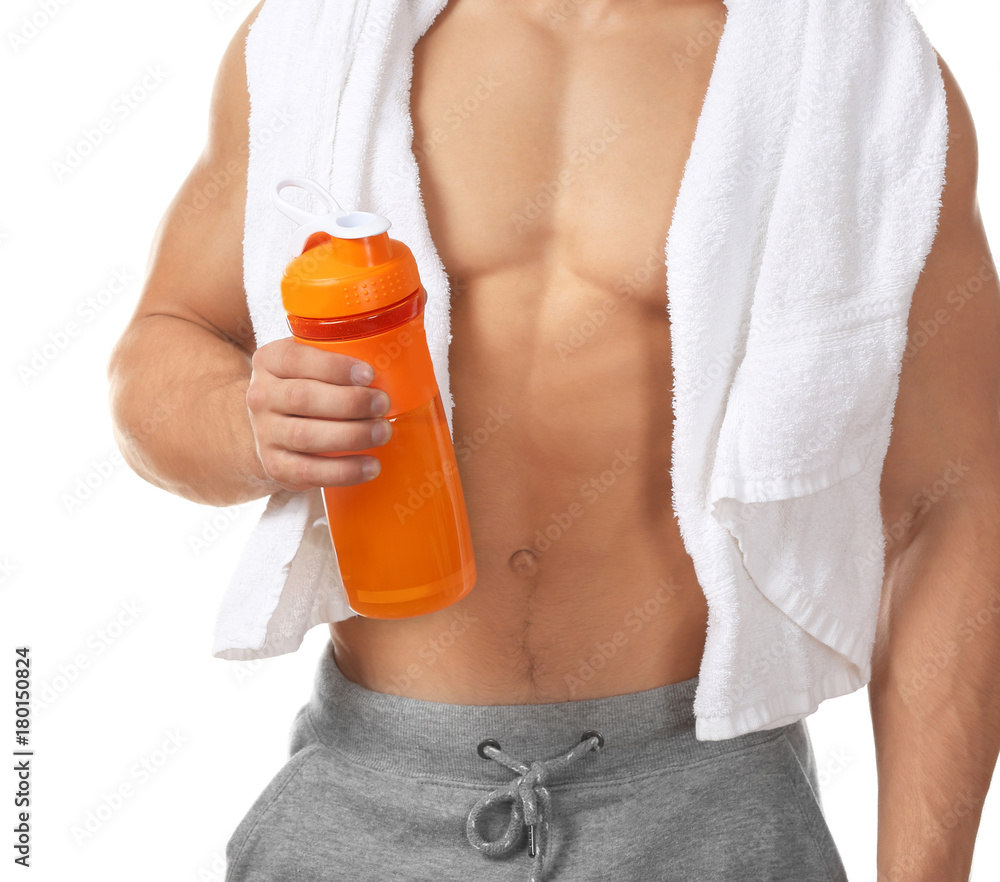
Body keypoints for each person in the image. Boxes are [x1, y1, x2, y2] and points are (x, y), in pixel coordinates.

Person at [107, 1, 1000, 879]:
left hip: (707, 807)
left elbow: (956, 503)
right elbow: (163, 342)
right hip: (372, 795)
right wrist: (244, 421)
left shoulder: (854, 69)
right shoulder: (318, 36)